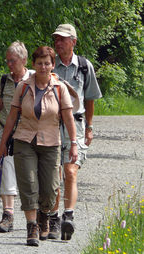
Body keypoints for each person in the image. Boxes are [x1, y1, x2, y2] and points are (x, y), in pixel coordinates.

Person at [0, 46, 79, 247]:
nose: (43, 67)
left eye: (47, 63)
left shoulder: (60, 88)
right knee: (28, 184)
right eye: (40, 63)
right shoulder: (24, 87)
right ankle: (32, 226)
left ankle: (44, 215)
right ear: (33, 64)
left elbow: (69, 118)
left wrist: (74, 144)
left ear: (53, 65)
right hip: (24, 140)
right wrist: (3, 143)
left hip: (51, 142)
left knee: (51, 189)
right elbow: (12, 116)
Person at [50, 24, 102, 241]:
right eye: (56, 39)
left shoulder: (83, 66)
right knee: (54, 174)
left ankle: (68, 216)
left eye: (62, 39)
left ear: (73, 41)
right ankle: (53, 218)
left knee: (70, 171)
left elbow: (90, 97)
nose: (58, 43)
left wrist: (89, 127)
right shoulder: (49, 64)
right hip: (52, 125)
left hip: (77, 125)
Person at [0, 41, 35, 233]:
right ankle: (8, 215)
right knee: (6, 172)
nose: (9, 64)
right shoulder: (4, 80)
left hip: (29, 134)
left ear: (23, 60)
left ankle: (35, 216)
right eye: (7, 60)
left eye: (13, 60)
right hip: (6, 133)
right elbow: (0, 104)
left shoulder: (35, 77)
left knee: (30, 174)